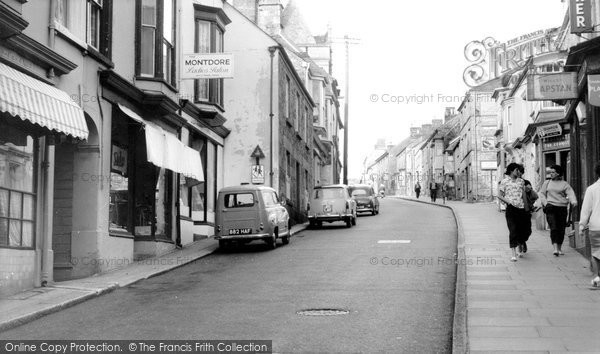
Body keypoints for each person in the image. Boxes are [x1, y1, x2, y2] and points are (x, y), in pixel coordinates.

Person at [539, 165, 577, 256]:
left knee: (561, 229)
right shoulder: (547, 183)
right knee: (554, 227)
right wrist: (545, 203)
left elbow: (570, 193)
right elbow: (541, 193)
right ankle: (555, 248)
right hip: (550, 207)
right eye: (550, 172)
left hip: (562, 208)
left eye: (553, 172)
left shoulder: (564, 184)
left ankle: (559, 248)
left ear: (558, 173)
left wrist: (573, 201)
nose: (551, 174)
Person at [497, 163, 528, 262]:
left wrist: (527, 207)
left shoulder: (521, 181)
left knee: (520, 230)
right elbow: (500, 195)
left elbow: (523, 195)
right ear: (511, 170)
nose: (518, 172)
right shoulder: (504, 182)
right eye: (516, 170)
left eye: (519, 170)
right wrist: (508, 202)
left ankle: (520, 247)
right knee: (513, 230)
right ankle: (513, 253)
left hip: (521, 208)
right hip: (511, 209)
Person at [578, 163, 600, 287]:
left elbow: (586, 209)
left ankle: (597, 278)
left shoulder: (591, 189)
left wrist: (582, 225)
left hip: (596, 226)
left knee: (596, 252)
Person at [522, 178, 538, 253]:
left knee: (528, 231)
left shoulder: (532, 193)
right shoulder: (520, 192)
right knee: (520, 229)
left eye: (530, 187)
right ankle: (521, 242)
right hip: (520, 211)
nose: (529, 189)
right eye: (527, 188)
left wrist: (532, 206)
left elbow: (536, 198)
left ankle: (523, 241)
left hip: (527, 213)